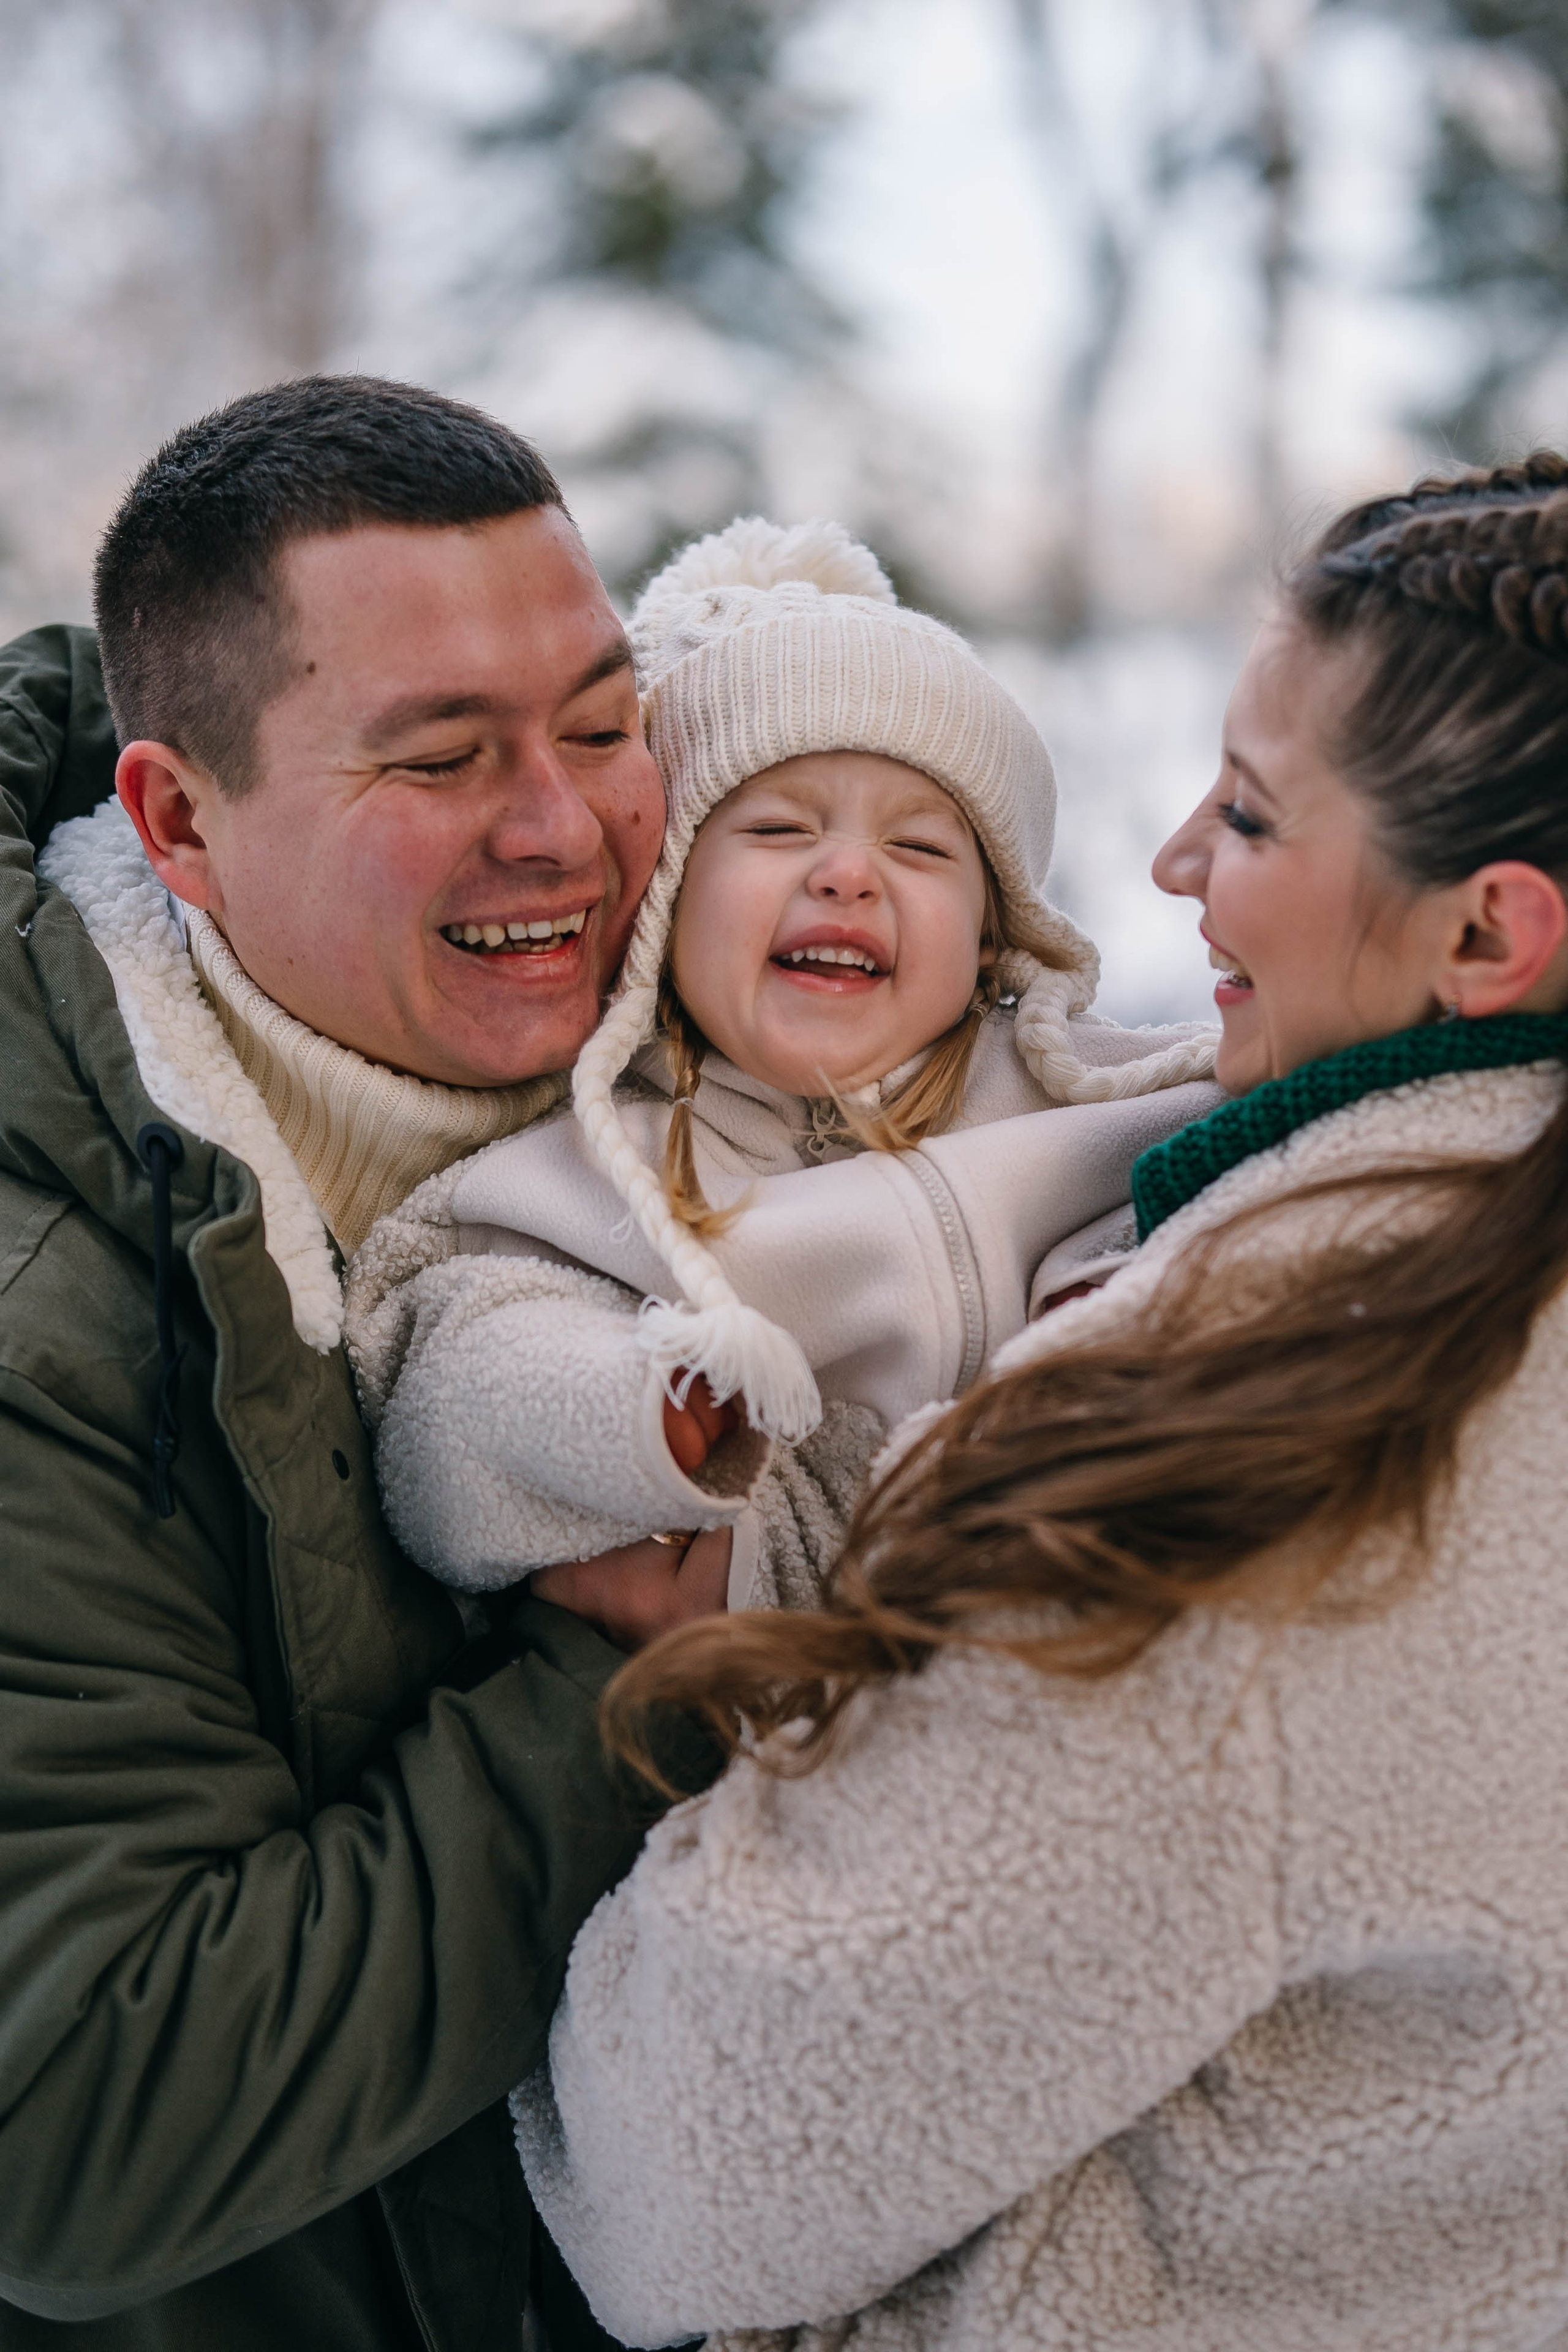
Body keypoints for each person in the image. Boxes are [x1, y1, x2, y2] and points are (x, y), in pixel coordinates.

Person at [511, 453, 1568, 2352]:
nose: (1169, 865)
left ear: (1488, 935)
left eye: (1248, 813)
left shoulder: (1262, 1444)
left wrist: (660, 1732)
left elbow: (673, 2171)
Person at [0, 371, 722, 2352]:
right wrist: (617, 1694)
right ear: (178, 821)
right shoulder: (47, 1306)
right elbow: (77, 2120)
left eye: (599, 721)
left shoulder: (722, 1028)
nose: (565, 828)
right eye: (440, 761)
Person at [344, 516, 1217, 1613]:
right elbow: (443, 1405)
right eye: (776, 831)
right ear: (661, 902)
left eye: (920, 847)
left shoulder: (1106, 1107)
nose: (850, 873)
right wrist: (632, 1405)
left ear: (995, 932)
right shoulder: (588, 1170)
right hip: (779, 1684)